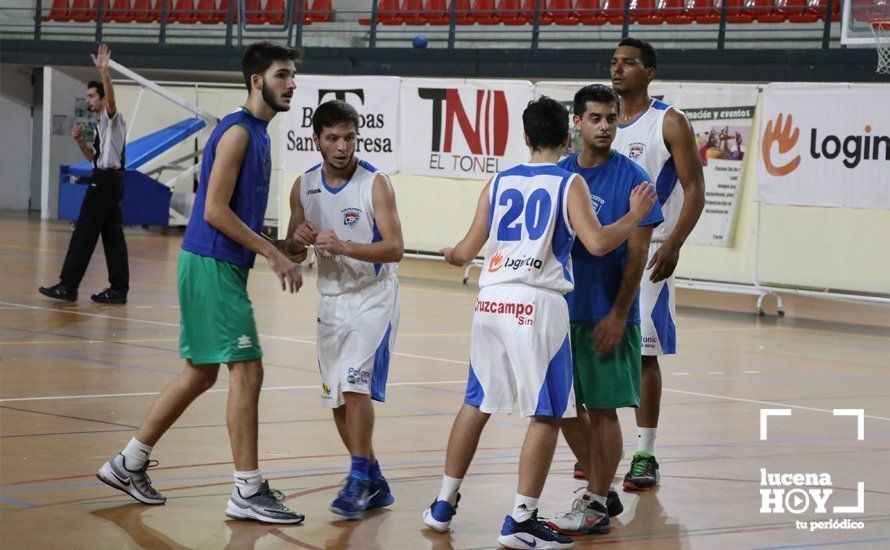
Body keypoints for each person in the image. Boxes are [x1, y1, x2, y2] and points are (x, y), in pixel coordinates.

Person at [422, 96, 656, 550]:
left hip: (491, 301)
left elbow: (466, 250)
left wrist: (450, 255)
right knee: (549, 413)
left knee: (477, 402)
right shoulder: (569, 183)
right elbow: (598, 241)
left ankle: (442, 505)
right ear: (567, 135)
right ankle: (521, 519)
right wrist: (633, 216)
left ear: (526, 138)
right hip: (537, 302)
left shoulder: (499, 180)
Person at [95, 41, 306, 524]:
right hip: (212, 264)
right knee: (247, 371)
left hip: (211, 263)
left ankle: (129, 462)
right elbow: (213, 210)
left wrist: (283, 244)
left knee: (200, 371)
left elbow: (235, 212)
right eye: (281, 75)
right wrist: (272, 254)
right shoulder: (237, 134)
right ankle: (247, 490)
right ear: (256, 80)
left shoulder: (258, 133)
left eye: (292, 76)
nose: (291, 83)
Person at [546, 85, 663, 537]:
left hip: (606, 314)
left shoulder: (634, 181)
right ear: (576, 122)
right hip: (560, 311)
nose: (605, 127)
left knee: (603, 410)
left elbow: (636, 260)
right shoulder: (559, 174)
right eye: (595, 118)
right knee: (562, 409)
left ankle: (595, 503)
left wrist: (619, 314)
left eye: (611, 118)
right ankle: (602, 485)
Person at [286, 100, 403, 520]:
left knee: (355, 386)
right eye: (333, 137)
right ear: (315, 139)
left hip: (373, 296)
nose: (341, 146)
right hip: (330, 299)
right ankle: (373, 478)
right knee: (336, 400)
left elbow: (396, 248)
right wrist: (297, 240)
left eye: (349, 137)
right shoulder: (303, 185)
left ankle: (356, 478)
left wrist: (344, 246)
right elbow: (294, 250)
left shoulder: (375, 184)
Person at [610, 37, 706, 491]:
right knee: (595, 342)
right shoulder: (601, 119)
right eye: (614, 62)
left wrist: (675, 244)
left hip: (651, 251)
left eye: (629, 63)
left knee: (643, 351)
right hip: (602, 250)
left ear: (650, 72)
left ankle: (645, 453)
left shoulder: (668, 121)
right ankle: (601, 443)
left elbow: (694, 187)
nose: (618, 69)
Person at [39, 44, 130, 304]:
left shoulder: (112, 117)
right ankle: (118, 290)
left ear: (101, 98)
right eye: (88, 96)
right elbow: (95, 159)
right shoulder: (101, 125)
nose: (88, 100)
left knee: (84, 231)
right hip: (109, 180)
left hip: (106, 182)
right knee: (113, 236)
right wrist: (80, 142)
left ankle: (67, 286)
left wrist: (105, 72)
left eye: (92, 96)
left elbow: (112, 101)